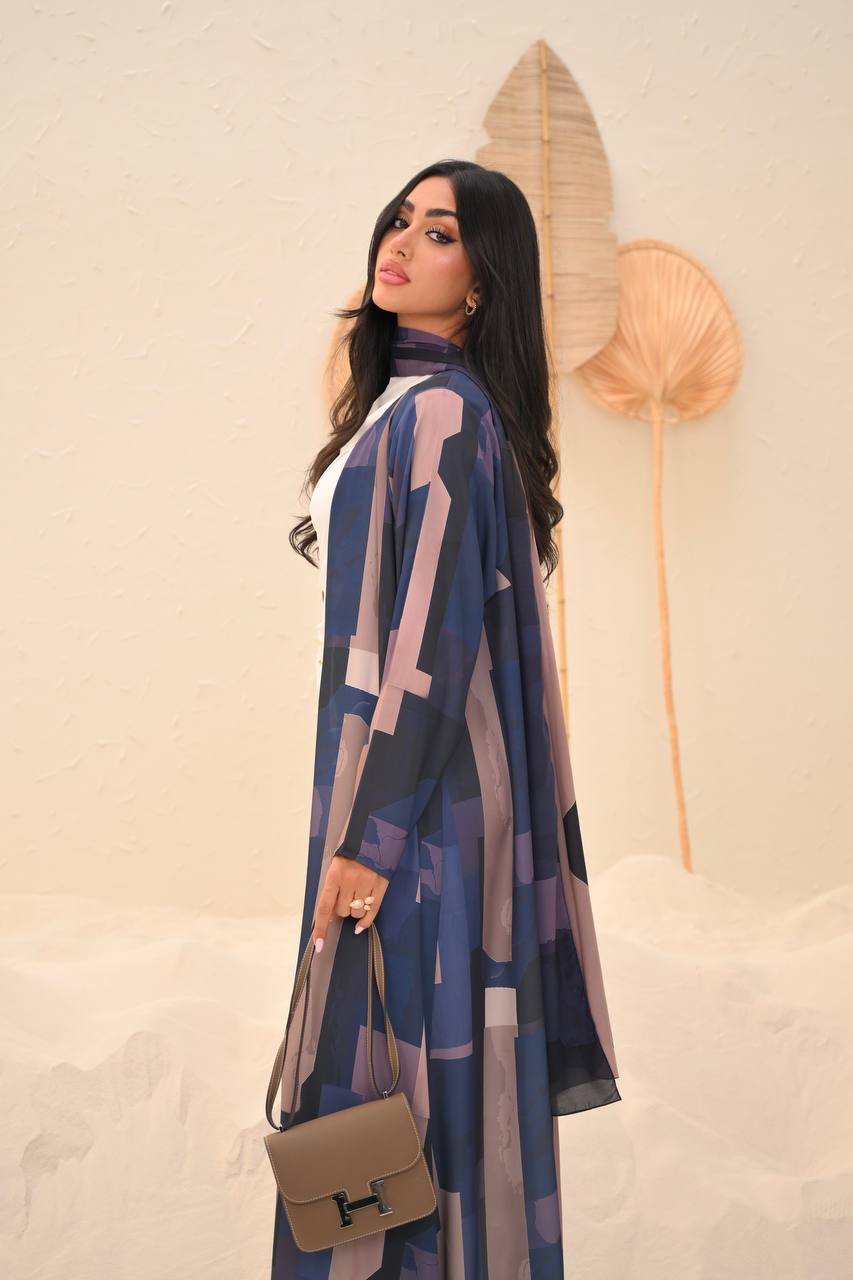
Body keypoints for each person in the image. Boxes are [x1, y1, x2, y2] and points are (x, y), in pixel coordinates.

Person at [272, 159, 621, 1279]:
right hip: (402, 791)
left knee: (403, 1080)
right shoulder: (405, 404)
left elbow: (429, 648)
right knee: (391, 1082)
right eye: (399, 220)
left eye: (439, 231)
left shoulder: (441, 415)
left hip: (422, 813)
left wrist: (369, 839)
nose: (402, 241)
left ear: (481, 279)